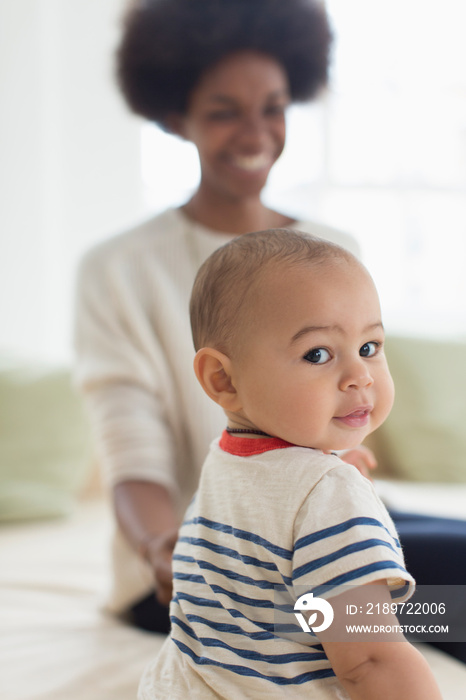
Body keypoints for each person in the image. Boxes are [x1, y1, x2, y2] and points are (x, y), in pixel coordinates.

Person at [74, 0, 466, 663]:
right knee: (451, 600)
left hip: (335, 521)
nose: (255, 132)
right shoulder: (119, 269)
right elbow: (129, 443)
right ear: (177, 116)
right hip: (223, 565)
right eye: (225, 111)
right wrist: (159, 549)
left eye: (273, 107)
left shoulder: (329, 250)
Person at [137, 229, 442, 699]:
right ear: (223, 378)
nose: (359, 376)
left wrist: (334, 477)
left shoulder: (224, 463)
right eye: (317, 354)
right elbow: (370, 658)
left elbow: (273, 531)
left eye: (370, 348)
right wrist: (335, 489)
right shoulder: (328, 495)